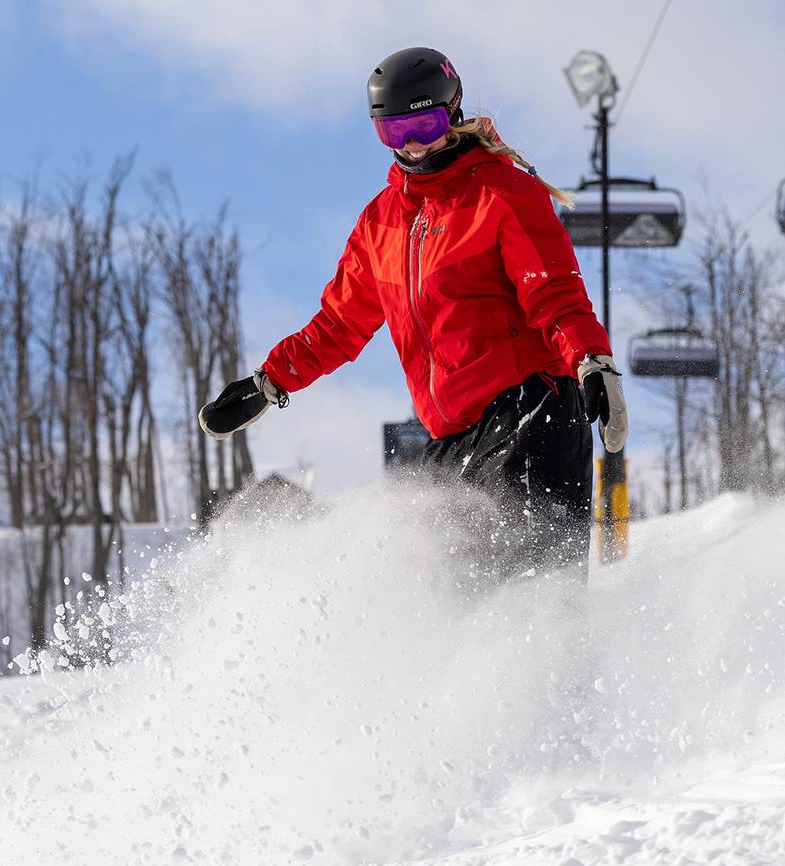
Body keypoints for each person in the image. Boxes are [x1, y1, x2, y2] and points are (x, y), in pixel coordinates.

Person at [199, 46, 627, 581]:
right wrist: (269, 382)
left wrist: (592, 360)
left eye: (424, 124)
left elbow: (554, 291)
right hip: (451, 440)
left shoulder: (502, 192)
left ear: (452, 113)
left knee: (532, 601)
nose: (415, 145)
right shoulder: (381, 224)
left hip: (528, 412)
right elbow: (338, 324)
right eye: (395, 132)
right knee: (434, 596)